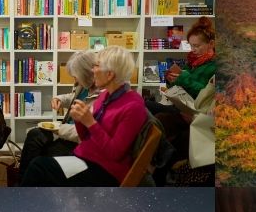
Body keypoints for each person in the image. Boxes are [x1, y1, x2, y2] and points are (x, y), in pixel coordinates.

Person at [21, 46, 147, 186]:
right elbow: (84, 136)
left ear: (110, 74)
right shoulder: (107, 95)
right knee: (39, 165)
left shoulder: (133, 106)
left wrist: (89, 122)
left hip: (104, 169)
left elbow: (114, 153)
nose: (92, 71)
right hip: (85, 156)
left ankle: (22, 202)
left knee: (39, 167)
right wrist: (79, 119)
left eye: (97, 66)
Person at [147, 16, 216, 179]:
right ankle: (151, 163)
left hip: (197, 113)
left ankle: (156, 168)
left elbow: (204, 93)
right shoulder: (193, 61)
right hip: (183, 107)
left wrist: (183, 78)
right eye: (191, 45)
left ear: (210, 44)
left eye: (197, 46)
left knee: (160, 120)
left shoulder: (213, 66)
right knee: (149, 108)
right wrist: (171, 80)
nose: (193, 49)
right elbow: (184, 86)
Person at [19, 50, 100, 177]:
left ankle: (27, 182)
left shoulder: (102, 95)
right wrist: (60, 99)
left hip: (75, 141)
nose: (74, 78)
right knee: (34, 135)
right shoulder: (84, 86)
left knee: (38, 154)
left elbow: (85, 133)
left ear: (87, 73)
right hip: (65, 132)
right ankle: (24, 180)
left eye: (76, 75)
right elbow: (73, 97)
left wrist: (59, 129)